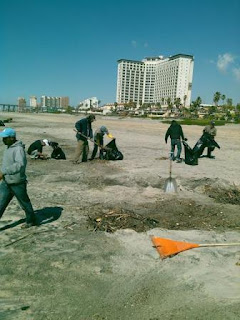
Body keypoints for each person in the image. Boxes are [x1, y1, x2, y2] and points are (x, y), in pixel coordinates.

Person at [0, 128, 37, 228]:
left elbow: (20, 165)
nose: (3, 140)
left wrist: (3, 172)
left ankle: (31, 221)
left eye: (5, 138)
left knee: (25, 204)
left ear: (12, 138)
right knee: (0, 203)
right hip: (6, 182)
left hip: (17, 183)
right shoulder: (8, 147)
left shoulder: (18, 149)